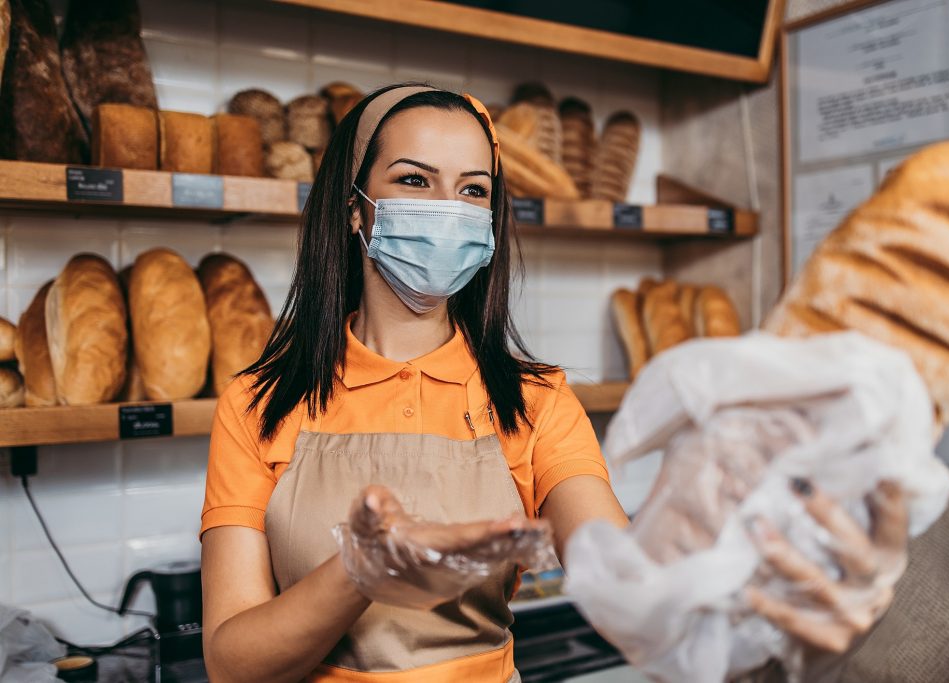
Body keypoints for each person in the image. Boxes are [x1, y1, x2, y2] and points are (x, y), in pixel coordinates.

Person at [199, 82, 907, 683]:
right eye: (415, 180)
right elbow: (231, 660)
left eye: (472, 190)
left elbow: (628, 581)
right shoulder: (257, 403)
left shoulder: (536, 402)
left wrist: (771, 576)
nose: (449, 208)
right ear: (356, 209)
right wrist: (357, 572)